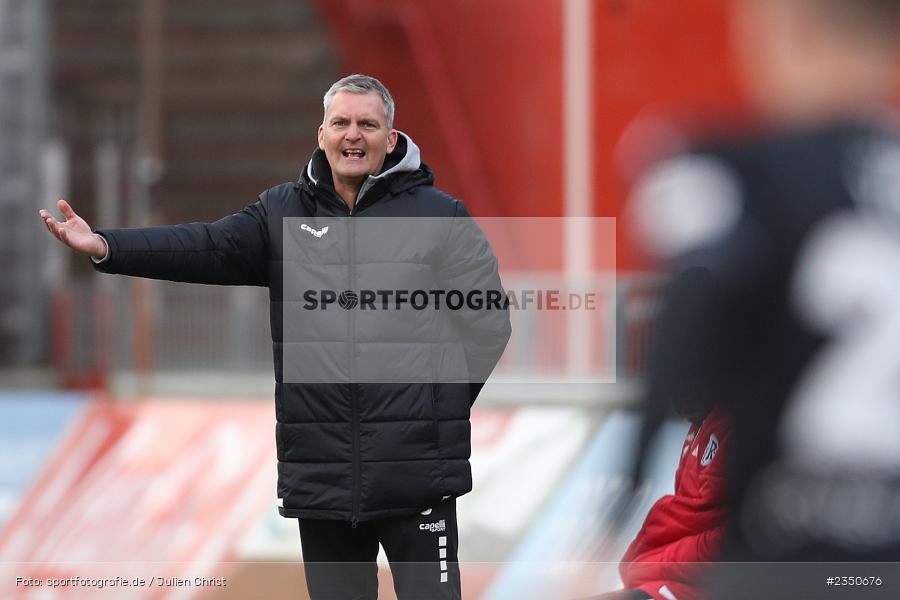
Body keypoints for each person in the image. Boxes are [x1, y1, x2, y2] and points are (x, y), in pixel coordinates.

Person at [40, 74, 511, 600]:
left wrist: (433, 402)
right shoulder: (281, 211)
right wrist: (107, 245)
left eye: (367, 125)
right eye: (341, 123)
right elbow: (207, 246)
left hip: (417, 478)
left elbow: (489, 322)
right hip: (323, 479)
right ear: (322, 134)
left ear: (391, 139)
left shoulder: (441, 217)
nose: (353, 135)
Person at [628, 0, 900, 597]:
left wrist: (618, 497)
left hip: (791, 556)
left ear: (783, 32)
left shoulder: (741, 172)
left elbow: (689, 314)